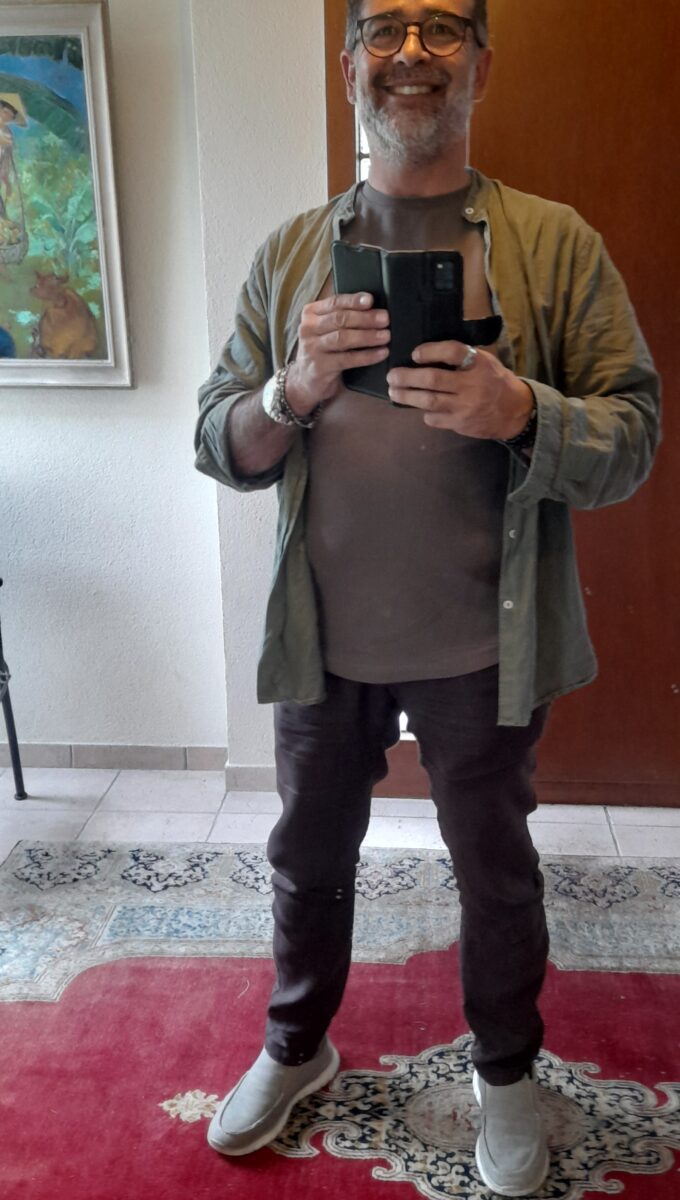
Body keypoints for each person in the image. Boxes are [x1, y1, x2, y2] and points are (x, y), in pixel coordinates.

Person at [194, 1, 661, 1194]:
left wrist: (522, 412)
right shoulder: (290, 252)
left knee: (494, 870)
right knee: (305, 856)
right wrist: (291, 388)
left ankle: (503, 1075)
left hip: (483, 646)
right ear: (350, 62)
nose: (411, 52)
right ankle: (295, 1047)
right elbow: (218, 438)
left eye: (442, 29)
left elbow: (633, 435)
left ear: (481, 66)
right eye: (385, 28)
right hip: (323, 637)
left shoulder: (553, 244)